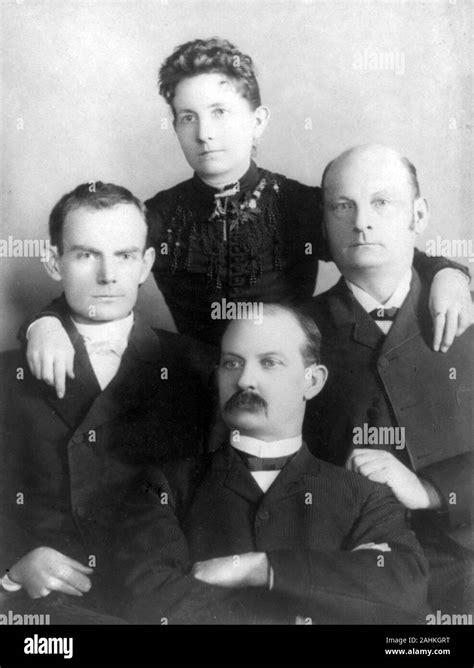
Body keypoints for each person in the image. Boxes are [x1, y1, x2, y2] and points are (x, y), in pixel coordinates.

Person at [24, 38, 472, 395]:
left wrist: (449, 273)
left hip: (297, 387)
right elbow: (96, 272)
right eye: (187, 118)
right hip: (193, 391)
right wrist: (45, 322)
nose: (205, 133)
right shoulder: (158, 216)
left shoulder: (300, 205)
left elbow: (380, 246)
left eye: (220, 112)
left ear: (257, 121)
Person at [118, 304, 430, 624]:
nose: (244, 380)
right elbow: (151, 598)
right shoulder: (163, 486)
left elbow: (404, 594)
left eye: (270, 362)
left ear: (313, 381)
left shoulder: (366, 495)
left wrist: (260, 568)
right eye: (232, 363)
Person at [0, 182, 216, 623]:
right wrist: (12, 568)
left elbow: (221, 498)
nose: (107, 275)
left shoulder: (198, 368)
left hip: (163, 604)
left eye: (124, 255)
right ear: (54, 263)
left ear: (145, 265)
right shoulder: (7, 377)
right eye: (85, 255)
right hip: (48, 608)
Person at [303, 144, 473, 613]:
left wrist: (432, 490)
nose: (361, 222)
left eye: (382, 202)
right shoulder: (297, 332)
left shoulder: (467, 314)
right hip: (349, 572)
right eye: (343, 206)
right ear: (324, 223)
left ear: (418, 213)